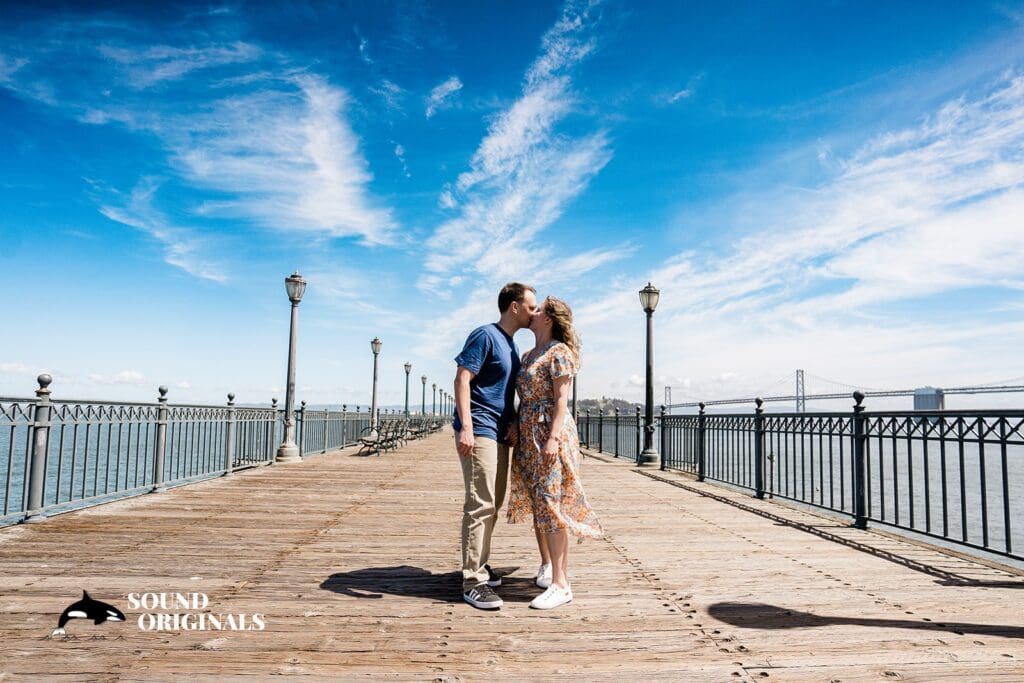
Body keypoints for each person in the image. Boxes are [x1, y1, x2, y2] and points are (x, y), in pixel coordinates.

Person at [507, 296, 603, 610]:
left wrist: (552, 439)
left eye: (538, 310)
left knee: (552, 503)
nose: (531, 314)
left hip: (550, 433)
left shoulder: (558, 353)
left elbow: (562, 401)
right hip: (528, 433)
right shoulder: (527, 355)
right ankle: (548, 566)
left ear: (548, 319)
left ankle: (562, 585)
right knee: (539, 502)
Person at [453, 282, 538, 610]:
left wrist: (514, 421)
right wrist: (467, 429)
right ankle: (472, 579)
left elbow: (503, 392)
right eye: (531, 307)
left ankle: (480, 563)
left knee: (494, 501)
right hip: (481, 429)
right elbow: (462, 379)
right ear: (514, 307)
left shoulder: (510, 344)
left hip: (500, 432)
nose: (534, 313)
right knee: (481, 501)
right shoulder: (485, 335)